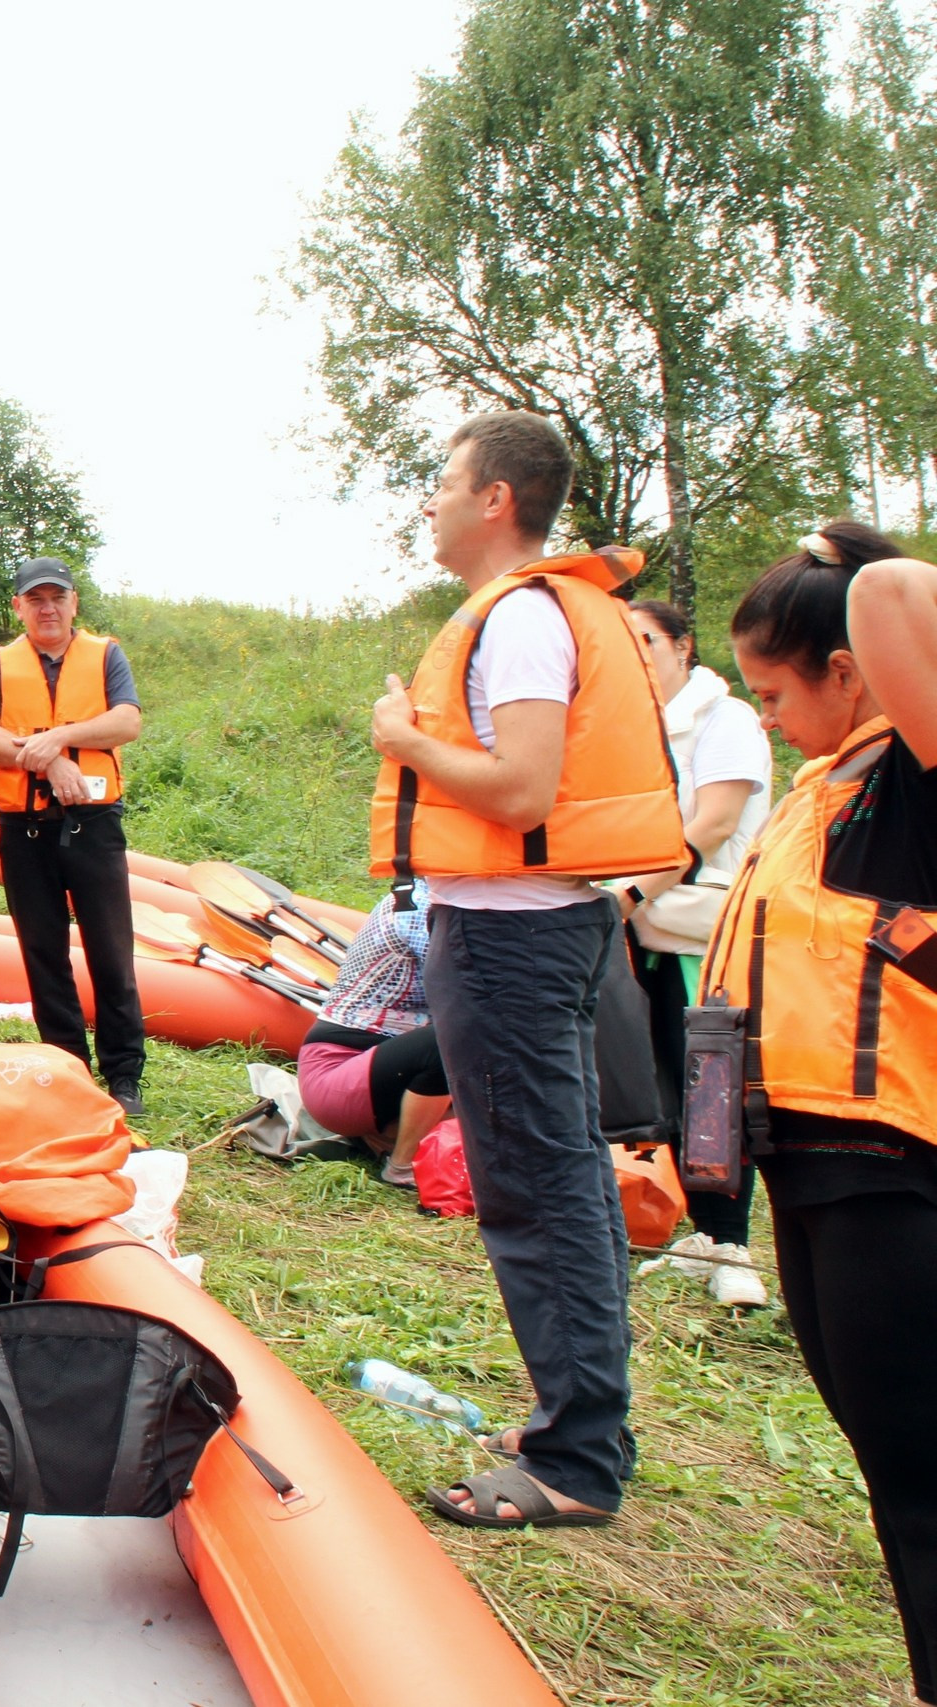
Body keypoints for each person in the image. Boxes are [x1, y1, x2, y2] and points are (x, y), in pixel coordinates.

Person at [369, 411, 685, 1532]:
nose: (432, 502)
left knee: (537, 1191)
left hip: (512, 937)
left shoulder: (520, 620)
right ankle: (581, 1417)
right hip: (531, 927)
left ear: (495, 499)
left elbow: (519, 792)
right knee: (561, 1180)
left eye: (445, 483)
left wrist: (404, 742)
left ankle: (575, 1462)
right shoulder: (541, 610)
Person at [706, 525, 937, 1701]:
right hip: (810, 1174)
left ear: (849, 671)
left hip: (890, 1180)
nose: (763, 717)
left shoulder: (914, 775)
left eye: (775, 691)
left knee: (924, 1478)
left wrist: (849, 558)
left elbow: (900, 595)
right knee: (892, 1469)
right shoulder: (826, 790)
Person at [615, 596, 774, 1308]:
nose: (636, 651)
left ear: (682, 646)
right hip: (653, 925)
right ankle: (708, 1233)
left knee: (714, 1085)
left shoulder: (725, 718)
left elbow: (713, 822)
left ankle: (736, 1245)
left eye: (647, 638)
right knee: (675, 1085)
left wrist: (630, 893)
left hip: (703, 930)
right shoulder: (639, 727)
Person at [0, 556, 148, 1115]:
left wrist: (61, 737)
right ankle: (66, 1065)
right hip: (24, 829)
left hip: (93, 826)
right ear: (19, 607)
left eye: (57, 598)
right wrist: (48, 764)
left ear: (73, 604)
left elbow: (127, 721)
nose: (48, 608)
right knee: (42, 950)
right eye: (35, 599)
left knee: (111, 951)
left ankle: (124, 1076)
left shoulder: (105, 656)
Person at [296, 880, 452, 1189]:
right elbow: (466, 996)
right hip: (338, 1073)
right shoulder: (420, 907)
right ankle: (401, 1165)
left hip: (387, 1073)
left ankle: (385, 1136)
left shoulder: (441, 899)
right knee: (456, 1039)